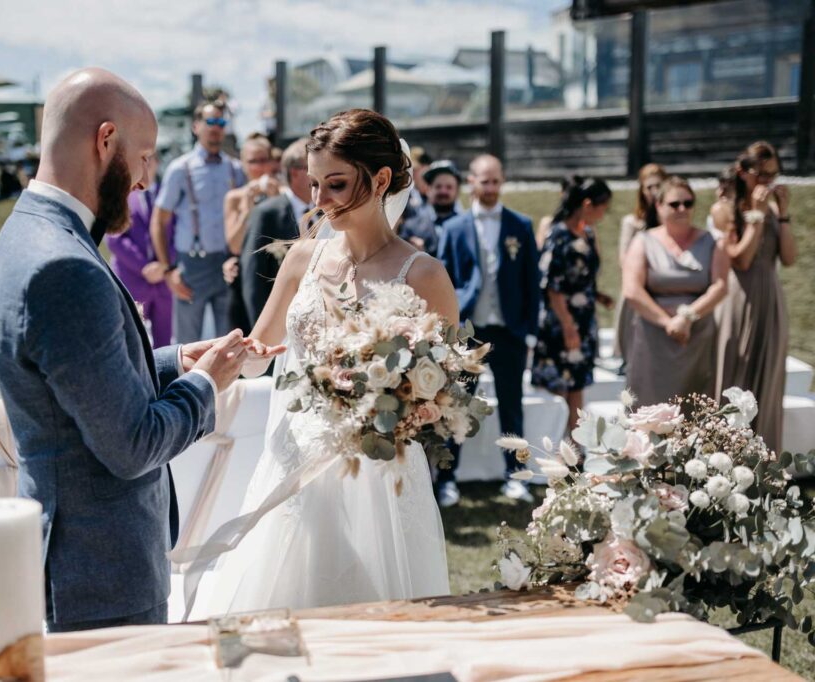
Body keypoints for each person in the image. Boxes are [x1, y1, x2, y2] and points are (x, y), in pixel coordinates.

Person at [0, 68, 278, 631]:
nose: (147, 180)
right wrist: (206, 385)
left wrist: (173, 362)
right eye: (145, 157)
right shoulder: (65, 266)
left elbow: (69, 384)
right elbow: (133, 444)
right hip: (101, 573)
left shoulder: (29, 229)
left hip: (79, 560)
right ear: (105, 140)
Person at [202, 109, 457, 614]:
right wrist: (228, 358)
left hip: (379, 472)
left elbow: (444, 390)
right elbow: (261, 353)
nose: (319, 201)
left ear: (381, 179)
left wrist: (398, 400)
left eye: (335, 185)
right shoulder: (302, 258)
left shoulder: (423, 274)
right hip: (292, 455)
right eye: (314, 185)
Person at [438, 154, 540, 505]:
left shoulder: (521, 225)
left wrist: (528, 329)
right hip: (469, 330)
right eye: (485, 181)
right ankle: (447, 478)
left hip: (509, 330)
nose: (491, 187)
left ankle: (517, 475)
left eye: (496, 181)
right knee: (458, 405)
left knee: (513, 406)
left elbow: (532, 282)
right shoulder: (453, 229)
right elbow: (444, 282)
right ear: (472, 182)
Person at [712, 142, 797, 452]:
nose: (767, 182)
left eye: (773, 175)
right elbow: (742, 260)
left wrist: (783, 215)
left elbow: (788, 258)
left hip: (770, 297)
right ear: (742, 172)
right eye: (761, 175)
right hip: (738, 298)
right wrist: (757, 217)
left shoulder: (774, 210)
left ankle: (763, 464)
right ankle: (722, 460)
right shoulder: (724, 209)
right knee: (736, 374)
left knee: (769, 378)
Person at [623, 176, 729, 406]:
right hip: (653, 336)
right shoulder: (643, 240)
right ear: (659, 206)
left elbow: (720, 286)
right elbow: (632, 290)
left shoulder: (713, 241)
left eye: (688, 203)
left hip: (697, 335)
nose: (682, 209)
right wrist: (668, 323)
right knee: (648, 405)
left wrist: (687, 317)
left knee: (695, 407)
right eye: (674, 204)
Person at [151, 101, 247, 342]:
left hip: (227, 263)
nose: (216, 127)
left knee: (228, 341)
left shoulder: (235, 169)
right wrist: (168, 270)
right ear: (196, 126)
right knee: (187, 344)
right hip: (191, 265)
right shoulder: (180, 169)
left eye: (221, 122)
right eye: (210, 121)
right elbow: (159, 221)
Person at [531, 177, 612, 435]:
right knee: (559, 384)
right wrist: (568, 327)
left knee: (577, 384)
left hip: (583, 318)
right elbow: (553, 286)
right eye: (602, 207)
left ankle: (576, 446)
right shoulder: (559, 235)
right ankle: (555, 444)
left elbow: (580, 275)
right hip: (562, 320)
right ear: (588, 204)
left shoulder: (586, 233)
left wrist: (597, 295)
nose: (604, 214)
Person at [240, 138, 312, 328]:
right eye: (312, 167)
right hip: (280, 322)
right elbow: (253, 275)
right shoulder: (267, 213)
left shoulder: (326, 212)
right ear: (295, 172)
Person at [105, 155, 176, 346]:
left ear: (158, 163)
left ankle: (162, 377)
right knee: (131, 339)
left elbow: (178, 234)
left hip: (164, 282)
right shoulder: (121, 196)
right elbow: (114, 238)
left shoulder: (169, 197)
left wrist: (164, 266)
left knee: (164, 342)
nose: (146, 164)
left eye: (151, 159)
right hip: (131, 278)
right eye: (142, 159)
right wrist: (144, 267)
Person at [222, 135, 281, 332]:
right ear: (243, 164)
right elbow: (235, 245)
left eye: (263, 160)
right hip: (244, 277)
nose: (259, 167)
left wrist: (275, 200)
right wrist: (246, 211)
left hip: (276, 272)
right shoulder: (234, 197)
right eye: (252, 161)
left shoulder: (283, 193)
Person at [614, 164, 666, 362]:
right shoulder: (632, 222)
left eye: (658, 186)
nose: (653, 193)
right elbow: (623, 259)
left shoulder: (673, 219)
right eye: (649, 188)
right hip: (639, 287)